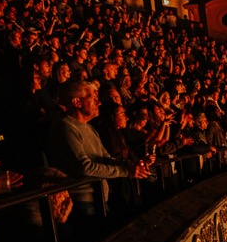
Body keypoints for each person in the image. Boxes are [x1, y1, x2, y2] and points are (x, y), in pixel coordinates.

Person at [45, 80, 149, 231]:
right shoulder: (65, 127)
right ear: (77, 102)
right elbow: (84, 167)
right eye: (93, 98)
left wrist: (129, 165)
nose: (99, 102)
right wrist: (126, 171)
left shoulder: (89, 128)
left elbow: (105, 158)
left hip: (99, 198)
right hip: (83, 202)